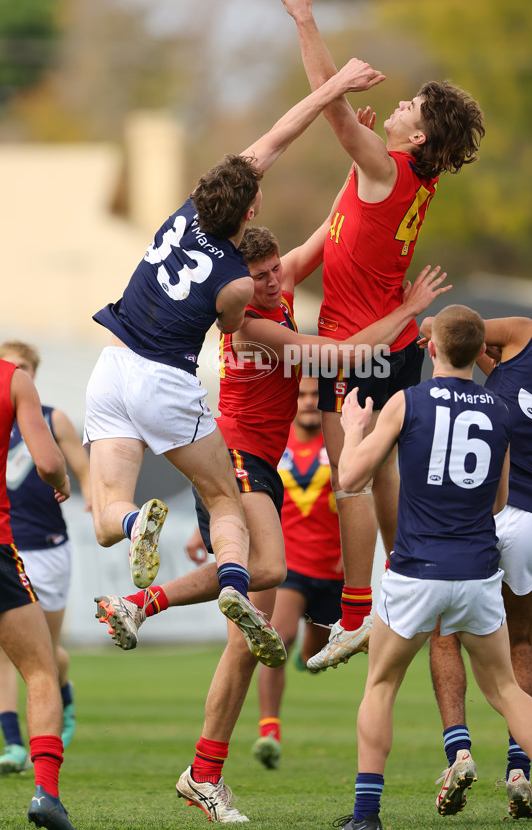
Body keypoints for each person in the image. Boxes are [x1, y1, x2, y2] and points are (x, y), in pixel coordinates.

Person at [94, 219, 450, 822]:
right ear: (239, 279)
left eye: (274, 269)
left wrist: (352, 149)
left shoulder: (277, 285)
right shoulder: (252, 323)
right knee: (269, 570)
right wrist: (410, 310)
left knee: (246, 630)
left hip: (259, 463)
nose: (271, 280)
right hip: (234, 457)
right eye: (257, 276)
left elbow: (328, 236)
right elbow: (345, 353)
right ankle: (141, 604)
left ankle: (203, 772)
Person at [84, 56, 385, 667]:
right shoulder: (239, 288)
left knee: (106, 514)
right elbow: (226, 324)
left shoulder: (185, 210)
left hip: (109, 366)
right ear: (248, 212)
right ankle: (232, 584)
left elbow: (274, 136)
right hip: (163, 380)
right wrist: (340, 90)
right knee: (224, 502)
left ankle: (140, 520)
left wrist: (334, 91)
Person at [281, 0, 486, 670]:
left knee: (352, 481)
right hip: (391, 343)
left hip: (360, 347)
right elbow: (351, 199)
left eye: (411, 105)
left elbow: (331, 111)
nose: (399, 104)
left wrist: (308, 23)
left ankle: (361, 610)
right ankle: (402, 583)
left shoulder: (388, 168)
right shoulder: (409, 176)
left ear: (417, 134)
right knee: (383, 476)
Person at [334, 304, 532, 830]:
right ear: (482, 353)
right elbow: (499, 500)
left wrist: (353, 427)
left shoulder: (409, 402)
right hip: (481, 570)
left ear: (432, 347)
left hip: (417, 569)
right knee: (505, 684)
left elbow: (349, 479)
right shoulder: (501, 412)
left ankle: (367, 816)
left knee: (381, 686)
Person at [423, 275, 532, 819]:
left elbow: (452, 332)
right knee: (521, 642)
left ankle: (458, 751)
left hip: (480, 504)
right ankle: (519, 768)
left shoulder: (527, 330)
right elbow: (527, 397)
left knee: (446, 631)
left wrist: (434, 330)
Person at [0, 341, 90, 774]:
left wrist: (95, 499)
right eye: (12, 366)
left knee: (46, 654)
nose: (18, 373)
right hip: (6, 547)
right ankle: (14, 744)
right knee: (4, 652)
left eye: (25, 368)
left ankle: (64, 689)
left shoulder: (53, 419)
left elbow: (81, 469)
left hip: (47, 547)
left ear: (34, 373)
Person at [251, 376, 344, 771]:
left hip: (333, 567)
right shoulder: (274, 442)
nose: (307, 401)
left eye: (314, 395)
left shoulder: (340, 441)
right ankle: (269, 730)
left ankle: (312, 637)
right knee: (278, 637)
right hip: (288, 565)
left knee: (312, 657)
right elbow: (241, 484)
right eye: (301, 394)